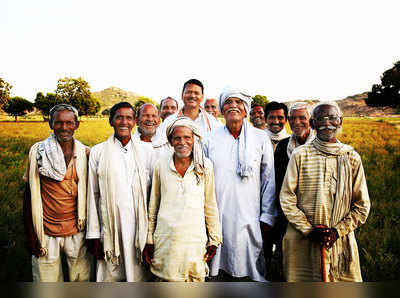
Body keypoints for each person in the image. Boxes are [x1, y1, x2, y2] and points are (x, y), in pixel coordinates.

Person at [280, 102, 370, 282]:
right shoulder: (300, 155)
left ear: (340, 121)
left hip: (340, 241)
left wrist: (336, 232)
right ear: (313, 123)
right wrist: (309, 230)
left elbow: (362, 206)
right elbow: (286, 198)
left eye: (332, 118)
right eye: (321, 119)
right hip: (302, 239)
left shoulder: (351, 157)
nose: (326, 123)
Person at [204, 88, 276, 282]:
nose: (233, 106)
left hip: (250, 214)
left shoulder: (260, 138)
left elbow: (269, 180)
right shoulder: (210, 138)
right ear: (221, 109)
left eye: (238, 102)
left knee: (251, 269)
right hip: (219, 214)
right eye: (228, 102)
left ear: (246, 109)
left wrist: (267, 215)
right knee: (219, 267)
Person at [143, 117, 222, 282]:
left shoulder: (205, 166)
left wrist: (214, 239)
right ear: (171, 141)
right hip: (166, 240)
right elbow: (153, 205)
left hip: (194, 240)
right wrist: (149, 239)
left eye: (187, 137)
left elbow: (210, 205)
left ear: (194, 140)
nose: (182, 142)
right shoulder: (161, 165)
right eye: (177, 138)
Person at [86, 102, 154, 282]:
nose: (124, 122)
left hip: (139, 228)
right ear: (111, 121)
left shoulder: (147, 151)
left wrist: (150, 237)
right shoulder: (98, 152)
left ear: (135, 122)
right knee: (110, 274)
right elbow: (92, 194)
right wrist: (94, 235)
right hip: (109, 227)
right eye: (119, 117)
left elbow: (153, 194)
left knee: (138, 276)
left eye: (129, 118)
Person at [23, 104, 91, 282]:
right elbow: (29, 194)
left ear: (76, 125)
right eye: (59, 122)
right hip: (46, 230)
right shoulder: (38, 152)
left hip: (77, 229)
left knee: (81, 280)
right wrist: (31, 234)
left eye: (69, 123)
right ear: (50, 124)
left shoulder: (85, 153)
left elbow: (93, 196)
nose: (64, 127)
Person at [271, 102, 315, 280]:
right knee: (290, 264)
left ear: (310, 120)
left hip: (314, 213)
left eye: (302, 118)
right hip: (287, 215)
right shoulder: (282, 147)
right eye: (293, 118)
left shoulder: (320, 145)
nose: (297, 122)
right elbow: (276, 181)